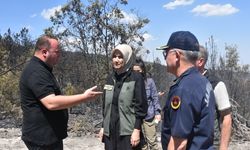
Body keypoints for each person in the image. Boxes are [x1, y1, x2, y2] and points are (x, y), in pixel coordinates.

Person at [19, 34, 103, 149]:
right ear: (44, 52)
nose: (60, 55)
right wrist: (84, 97)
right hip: (41, 140)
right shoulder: (36, 71)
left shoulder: (42, 69)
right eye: (57, 52)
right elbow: (51, 102)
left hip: (48, 137)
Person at [157, 31, 215, 150]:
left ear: (177, 56)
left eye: (166, 53)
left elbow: (179, 143)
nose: (164, 58)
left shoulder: (184, 89)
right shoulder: (202, 81)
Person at [99, 44, 148, 150]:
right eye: (114, 56)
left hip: (127, 132)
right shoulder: (110, 78)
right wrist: (103, 126)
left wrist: (136, 130)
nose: (116, 60)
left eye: (120, 57)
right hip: (110, 132)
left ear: (127, 58)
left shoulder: (136, 78)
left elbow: (141, 107)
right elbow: (106, 106)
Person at [196, 45, 232, 150]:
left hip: (211, 144)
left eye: (190, 59)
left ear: (200, 61)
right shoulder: (186, 82)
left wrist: (223, 147)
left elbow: (226, 117)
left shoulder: (216, 84)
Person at [133, 57, 161, 150]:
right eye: (134, 71)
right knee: (141, 144)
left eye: (138, 71)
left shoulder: (149, 82)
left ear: (143, 70)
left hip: (148, 116)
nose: (136, 74)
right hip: (136, 119)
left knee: (152, 142)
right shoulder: (131, 83)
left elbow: (155, 97)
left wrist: (157, 112)